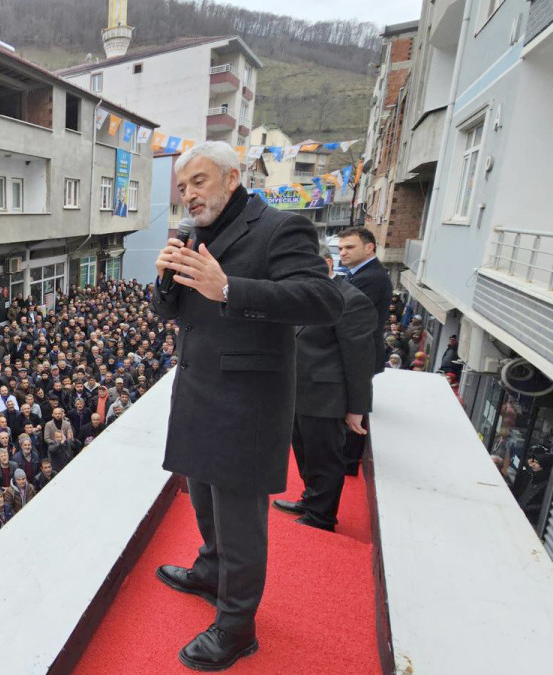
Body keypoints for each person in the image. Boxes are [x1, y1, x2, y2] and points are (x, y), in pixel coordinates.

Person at [152, 141, 342, 671]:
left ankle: (237, 627)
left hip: (246, 406)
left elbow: (324, 301)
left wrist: (231, 287)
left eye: (199, 181)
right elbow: (176, 311)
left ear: (233, 178)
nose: (189, 194)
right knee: (204, 503)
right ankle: (210, 571)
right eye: (183, 186)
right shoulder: (197, 233)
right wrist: (166, 278)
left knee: (240, 524)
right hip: (198, 392)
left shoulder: (280, 227)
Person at [274, 240, 376, 532]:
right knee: (305, 454)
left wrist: (357, 409)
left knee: (325, 459)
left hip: (326, 397)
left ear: (327, 265)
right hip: (297, 393)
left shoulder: (352, 301)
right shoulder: (306, 295)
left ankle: (322, 516)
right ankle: (310, 499)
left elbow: (359, 361)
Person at [336, 226, 392, 476]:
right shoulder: (365, 274)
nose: (343, 253)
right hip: (364, 351)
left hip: (361, 352)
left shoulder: (370, 278)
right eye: (340, 249)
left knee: (354, 404)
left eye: (349, 247)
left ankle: (348, 460)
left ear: (369, 248)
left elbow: (350, 319)